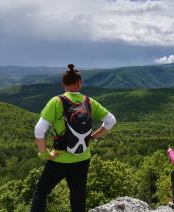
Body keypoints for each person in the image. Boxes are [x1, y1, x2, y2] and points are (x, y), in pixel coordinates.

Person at [31, 64, 116, 212]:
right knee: (78, 197)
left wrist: (45, 154)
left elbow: (39, 130)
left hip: (59, 158)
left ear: (63, 84)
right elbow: (111, 121)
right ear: (79, 83)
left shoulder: (56, 102)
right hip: (83, 158)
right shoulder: (89, 102)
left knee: (41, 192)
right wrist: (93, 137)